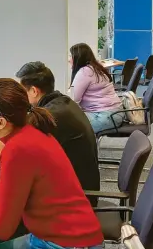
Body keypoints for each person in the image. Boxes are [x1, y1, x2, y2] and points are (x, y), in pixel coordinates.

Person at [0, 78, 104, 249]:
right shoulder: (31, 132)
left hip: (66, 243)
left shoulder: (17, 149)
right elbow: (13, 188)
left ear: (1, 122)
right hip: (75, 236)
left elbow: (2, 228)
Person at [15, 61, 100, 205]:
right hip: (78, 187)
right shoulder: (62, 102)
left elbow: (26, 160)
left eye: (22, 92)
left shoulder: (51, 116)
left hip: (75, 199)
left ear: (34, 91)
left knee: (15, 201)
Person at [70, 43, 124, 133]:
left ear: (78, 57)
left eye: (70, 56)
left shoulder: (85, 72)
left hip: (106, 116)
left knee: (68, 125)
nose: (69, 60)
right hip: (115, 113)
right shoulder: (96, 68)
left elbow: (74, 100)